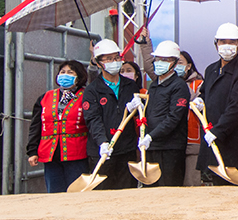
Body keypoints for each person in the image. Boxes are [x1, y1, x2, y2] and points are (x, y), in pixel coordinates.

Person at [82, 39, 140, 190]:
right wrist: (102, 142)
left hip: (126, 149)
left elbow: (140, 115)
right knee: (103, 194)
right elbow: (93, 119)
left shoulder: (130, 86)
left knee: (126, 192)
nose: (114, 62)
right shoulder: (92, 90)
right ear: (98, 62)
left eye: (116, 58)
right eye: (108, 59)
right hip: (102, 152)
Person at [26, 60, 90, 192]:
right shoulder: (45, 97)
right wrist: (32, 151)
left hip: (77, 154)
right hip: (51, 154)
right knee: (54, 193)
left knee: (77, 193)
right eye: (62, 72)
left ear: (79, 76)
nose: (65, 75)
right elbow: (36, 126)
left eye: (70, 72)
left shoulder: (87, 96)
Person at [192, 22, 238, 184]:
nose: (227, 46)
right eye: (223, 42)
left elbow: (236, 107)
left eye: (232, 42)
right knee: (214, 181)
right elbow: (205, 92)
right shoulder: (211, 69)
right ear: (216, 45)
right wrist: (200, 100)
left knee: (231, 182)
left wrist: (218, 131)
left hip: (231, 136)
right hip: (211, 133)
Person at [138, 40, 190, 187]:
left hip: (170, 147)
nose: (160, 62)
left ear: (174, 63)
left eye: (165, 60)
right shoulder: (154, 85)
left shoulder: (178, 86)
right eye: (158, 59)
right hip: (153, 146)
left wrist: (151, 135)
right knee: (151, 187)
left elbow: (174, 117)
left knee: (169, 186)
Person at [176, 50, 204, 186]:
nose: (176, 66)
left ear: (188, 66)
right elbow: (149, 66)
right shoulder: (165, 84)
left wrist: (179, 85)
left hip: (192, 139)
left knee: (191, 183)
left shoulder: (199, 84)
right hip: (172, 141)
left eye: (180, 62)